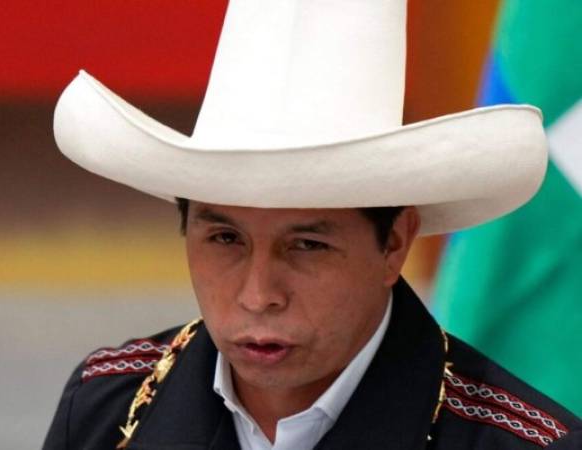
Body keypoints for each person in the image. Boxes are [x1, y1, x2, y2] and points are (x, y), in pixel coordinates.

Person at [43, 1, 582, 449]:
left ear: (394, 243)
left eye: (306, 244)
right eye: (225, 238)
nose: (259, 295)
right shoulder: (104, 411)